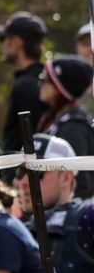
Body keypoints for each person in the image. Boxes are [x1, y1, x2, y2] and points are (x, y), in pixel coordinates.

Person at [17, 134, 94, 273]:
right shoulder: (15, 225)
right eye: (21, 172)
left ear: (66, 177)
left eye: (37, 172)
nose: (23, 182)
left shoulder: (85, 218)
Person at [36, 56, 94, 198]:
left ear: (60, 87)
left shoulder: (73, 128)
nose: (39, 82)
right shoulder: (59, 121)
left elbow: (80, 185)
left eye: (45, 78)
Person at [0, 10, 48, 154]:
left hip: (25, 173)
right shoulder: (40, 80)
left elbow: (34, 138)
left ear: (16, 43)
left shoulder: (26, 85)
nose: (2, 45)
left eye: (3, 39)